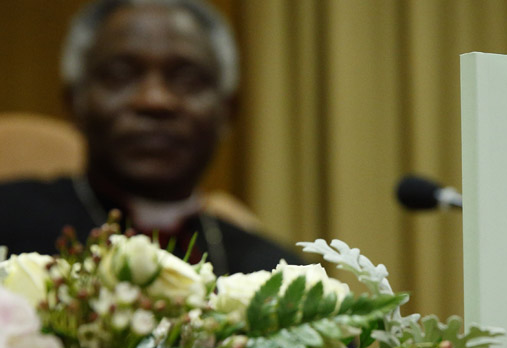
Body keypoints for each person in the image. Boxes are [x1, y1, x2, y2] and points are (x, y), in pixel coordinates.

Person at [0, 0, 303, 274]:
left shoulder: (277, 276)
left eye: (186, 78)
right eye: (120, 74)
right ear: (73, 103)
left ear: (227, 111)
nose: (154, 100)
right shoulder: (8, 222)